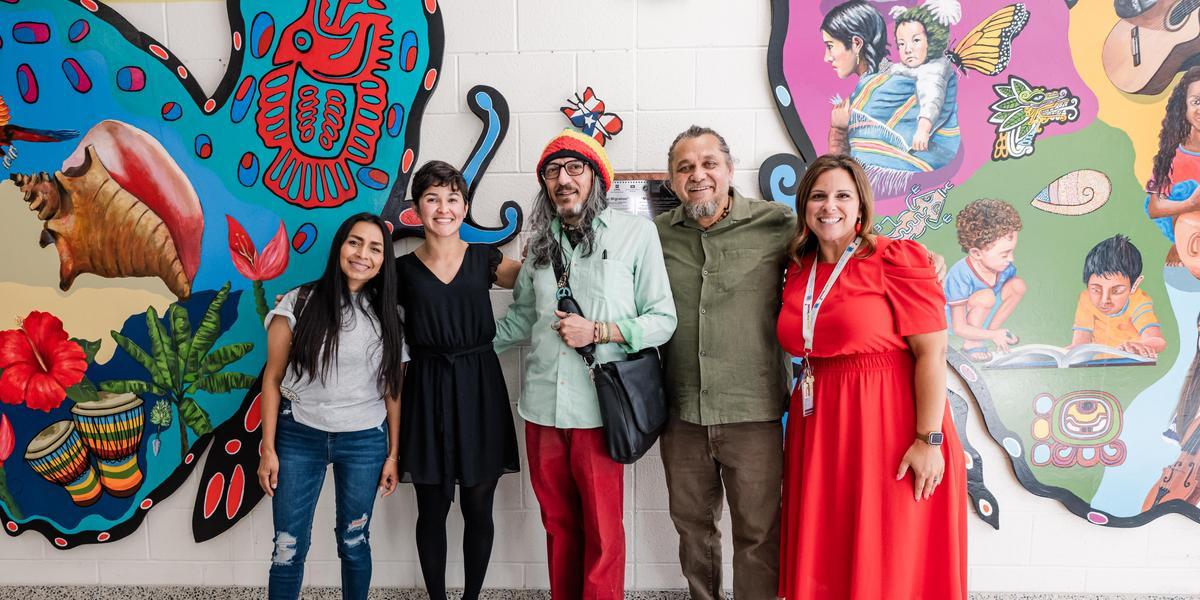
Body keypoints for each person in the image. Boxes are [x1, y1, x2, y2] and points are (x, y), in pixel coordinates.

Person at [494, 129, 677, 599]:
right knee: (557, 524)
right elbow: (519, 322)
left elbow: (662, 320)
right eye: (553, 171)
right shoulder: (537, 246)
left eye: (575, 168)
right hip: (541, 411)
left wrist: (599, 331)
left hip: (601, 412)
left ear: (596, 177)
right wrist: (452, 353)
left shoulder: (637, 235)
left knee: (602, 531)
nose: (563, 179)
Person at [776, 154, 966, 599]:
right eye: (819, 196)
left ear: (861, 206)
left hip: (890, 423)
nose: (830, 206)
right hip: (821, 426)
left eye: (843, 195)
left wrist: (929, 440)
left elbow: (933, 353)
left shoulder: (897, 257)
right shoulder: (797, 268)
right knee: (833, 549)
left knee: (892, 552)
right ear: (804, 205)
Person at [653, 126, 793, 599]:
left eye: (709, 163)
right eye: (685, 167)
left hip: (753, 413)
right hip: (681, 414)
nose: (698, 175)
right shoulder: (655, 237)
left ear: (730, 171)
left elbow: (844, 250)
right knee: (694, 532)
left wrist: (908, 258)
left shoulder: (779, 224)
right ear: (672, 180)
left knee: (758, 536)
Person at [257, 213, 406, 600]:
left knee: (354, 542)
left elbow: (393, 390)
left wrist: (393, 454)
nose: (363, 254)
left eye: (375, 248)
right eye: (355, 242)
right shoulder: (298, 302)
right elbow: (272, 380)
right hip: (298, 436)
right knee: (287, 548)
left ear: (383, 260)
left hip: (363, 442)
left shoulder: (389, 314)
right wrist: (268, 448)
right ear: (340, 246)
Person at [395, 161, 522, 600]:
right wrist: (300, 297)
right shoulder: (401, 270)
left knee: (477, 506)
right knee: (431, 509)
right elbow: (349, 288)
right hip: (426, 388)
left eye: (452, 198)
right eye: (433, 198)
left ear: (464, 206)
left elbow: (539, 280)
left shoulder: (485, 259)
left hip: (480, 387)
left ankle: (470, 598)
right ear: (417, 209)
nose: (443, 208)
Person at [822, 0, 961, 194]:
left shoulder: (894, 86)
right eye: (901, 43)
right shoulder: (881, 80)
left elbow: (848, 177)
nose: (826, 57)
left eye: (830, 46)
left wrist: (838, 130)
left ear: (856, 43)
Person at [944, 198, 1025, 362]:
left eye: (1011, 252)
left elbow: (1007, 292)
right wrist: (991, 335)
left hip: (984, 314)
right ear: (976, 253)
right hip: (955, 322)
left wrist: (993, 332)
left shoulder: (1004, 268)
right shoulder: (960, 274)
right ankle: (972, 344)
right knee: (986, 296)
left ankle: (993, 331)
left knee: (1018, 285)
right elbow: (959, 327)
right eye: (1005, 254)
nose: (1011, 258)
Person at [1070, 234, 1165, 358]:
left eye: (1116, 291)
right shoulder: (1085, 299)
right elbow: (1079, 345)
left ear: (1135, 285)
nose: (1104, 301)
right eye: (1096, 290)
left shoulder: (1139, 301)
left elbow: (1158, 340)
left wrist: (1140, 346)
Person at [1148, 66, 1200, 278]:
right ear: (1183, 107)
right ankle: (1184, 250)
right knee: (1184, 190)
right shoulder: (1171, 156)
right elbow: (1154, 207)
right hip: (1190, 238)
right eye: (1196, 101)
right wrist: (1190, 204)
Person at [889, 3, 956, 152]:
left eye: (916, 41)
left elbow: (932, 98)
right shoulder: (911, 65)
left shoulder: (933, 70)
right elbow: (894, 70)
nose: (907, 49)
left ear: (931, 42)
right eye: (901, 43)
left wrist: (922, 131)